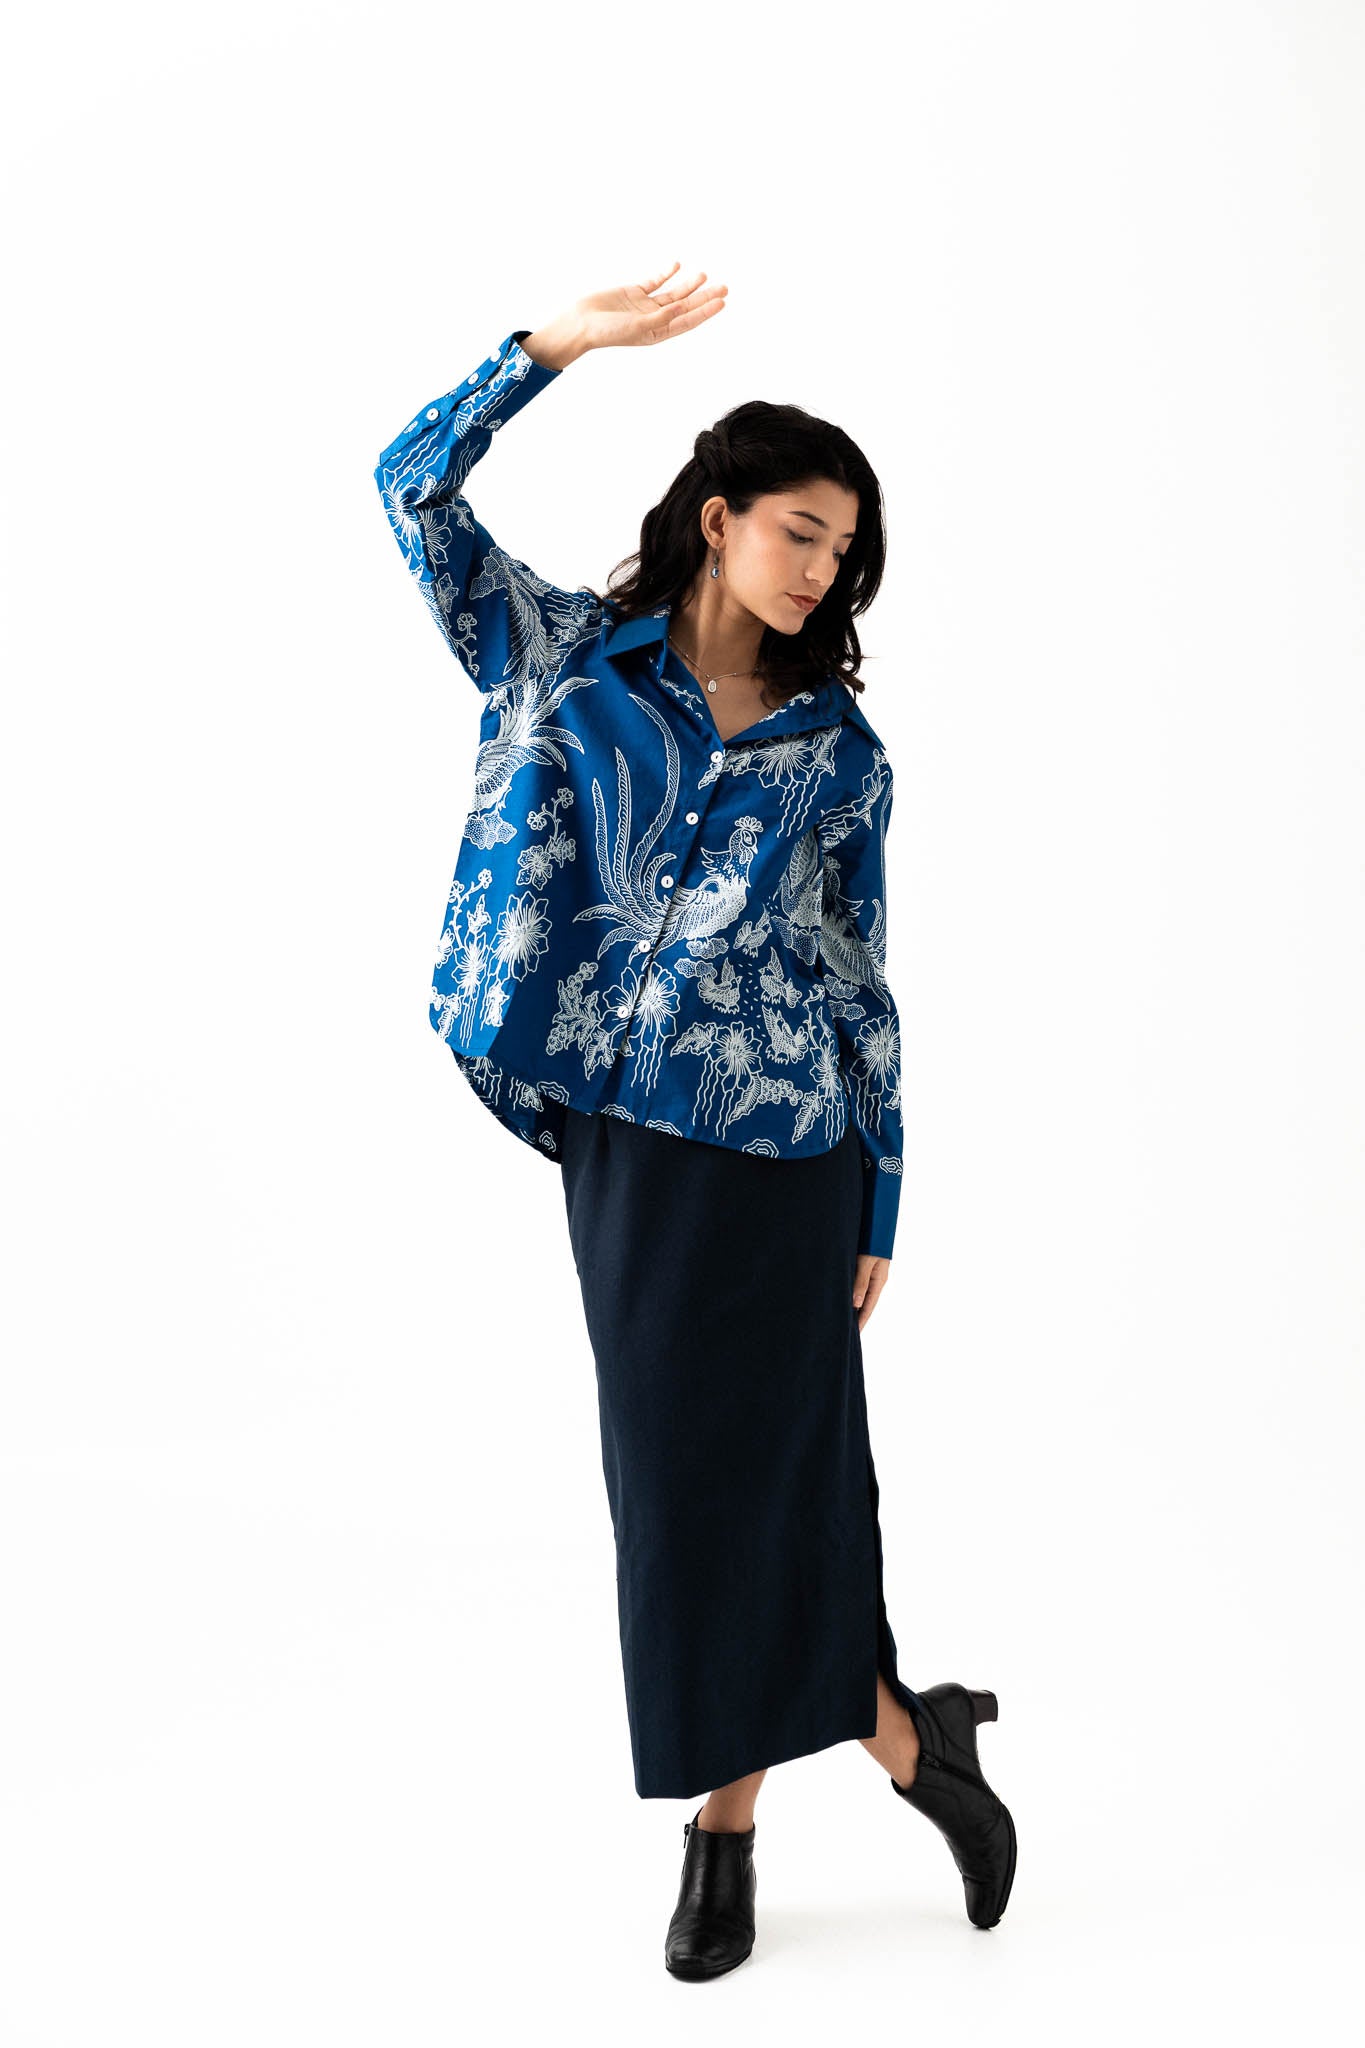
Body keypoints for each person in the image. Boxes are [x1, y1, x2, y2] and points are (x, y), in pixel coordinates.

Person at [373, 265, 1016, 1979]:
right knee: (676, 1485)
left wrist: (881, 1195)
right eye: (800, 531)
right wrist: (553, 348)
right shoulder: (557, 654)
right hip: (633, 1136)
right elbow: (408, 486)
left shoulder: (839, 754)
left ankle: (726, 1834)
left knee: (780, 1471)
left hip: (795, 1146)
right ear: (718, 520)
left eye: (844, 551)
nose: (821, 570)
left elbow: (858, 976)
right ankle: (905, 1735)